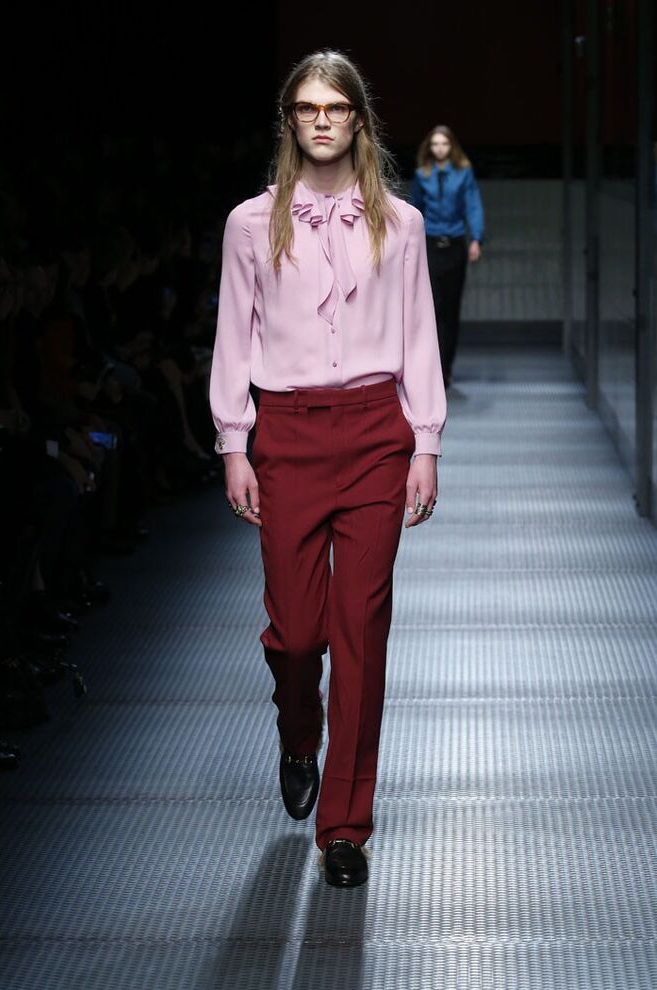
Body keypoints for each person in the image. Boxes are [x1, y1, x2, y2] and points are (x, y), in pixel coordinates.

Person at [209, 49, 446, 888]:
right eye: (306, 107)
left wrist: (425, 442)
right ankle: (297, 730)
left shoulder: (402, 225)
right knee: (297, 633)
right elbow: (233, 336)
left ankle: (345, 826)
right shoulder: (250, 224)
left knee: (361, 631)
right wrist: (233, 442)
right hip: (288, 433)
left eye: (335, 107)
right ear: (290, 120)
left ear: (357, 120)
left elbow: (419, 333)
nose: (321, 120)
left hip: (378, 432)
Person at [412, 125, 485, 388]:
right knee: (431, 308)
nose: (439, 148)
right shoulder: (422, 174)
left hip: (454, 244)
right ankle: (431, 370)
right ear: (429, 148)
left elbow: (472, 205)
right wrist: (411, 243)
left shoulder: (463, 173)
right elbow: (416, 211)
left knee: (451, 310)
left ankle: (445, 369)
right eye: (435, 144)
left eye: (444, 144)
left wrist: (476, 237)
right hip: (430, 245)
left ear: (451, 146)